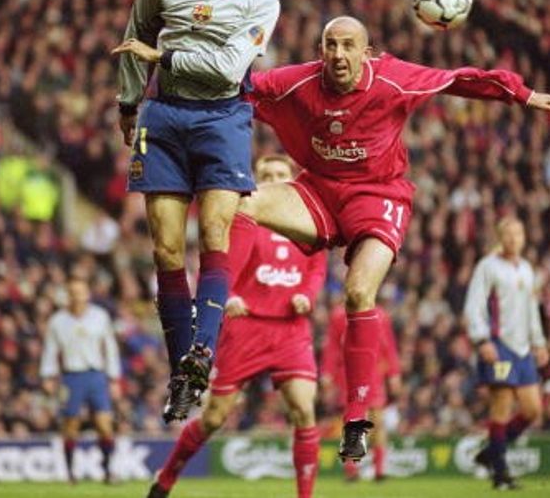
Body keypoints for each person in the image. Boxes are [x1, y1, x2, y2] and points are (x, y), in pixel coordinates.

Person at [232, 15, 550, 461]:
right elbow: (239, 87)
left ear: (366, 52)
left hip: (378, 196)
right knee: (241, 202)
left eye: (349, 45)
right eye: (330, 45)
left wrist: (519, 93)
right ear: (320, 50)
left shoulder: (393, 78)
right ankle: (208, 315)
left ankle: (356, 420)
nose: (338, 54)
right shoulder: (301, 81)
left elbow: (457, 80)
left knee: (357, 293)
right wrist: (168, 81)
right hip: (318, 189)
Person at [110, 0, 281, 422]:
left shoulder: (263, 0)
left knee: (213, 235)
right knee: (165, 250)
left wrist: (162, 57)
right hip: (161, 119)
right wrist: (127, 103)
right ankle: (183, 371)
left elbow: (230, 70)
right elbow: (135, 33)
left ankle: (202, 350)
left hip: (223, 120)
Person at [147, 154, 327, 498]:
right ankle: (166, 478)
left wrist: (308, 293)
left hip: (291, 330)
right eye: (266, 174)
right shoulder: (244, 219)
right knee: (214, 418)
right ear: (255, 180)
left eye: (280, 174)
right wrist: (228, 298)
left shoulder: (306, 221)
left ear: (292, 179)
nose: (274, 179)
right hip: (246, 328)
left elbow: (317, 267)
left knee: (305, 410)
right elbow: (217, 265)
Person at [464, 216, 548, 490]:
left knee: (533, 410)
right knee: (501, 405)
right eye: (508, 234)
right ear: (500, 237)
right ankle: (500, 474)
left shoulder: (526, 269)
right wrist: (482, 339)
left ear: (524, 238)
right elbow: (474, 304)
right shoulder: (487, 267)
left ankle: (490, 454)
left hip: (523, 350)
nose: (513, 239)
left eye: (518, 234)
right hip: (499, 346)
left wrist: (539, 341)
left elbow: (532, 309)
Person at [41, 275, 122, 484]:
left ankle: (108, 470)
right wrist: (48, 376)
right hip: (71, 377)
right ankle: (70, 473)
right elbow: (50, 350)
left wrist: (114, 379)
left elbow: (110, 348)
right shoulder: (57, 321)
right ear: (67, 296)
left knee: (104, 425)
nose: (77, 297)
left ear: (87, 294)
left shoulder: (100, 316)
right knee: (70, 426)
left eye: (81, 292)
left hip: (96, 375)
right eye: (73, 293)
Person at [322, 297, 401, 481]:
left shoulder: (380, 315)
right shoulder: (338, 315)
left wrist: (394, 373)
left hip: (375, 371)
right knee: (354, 421)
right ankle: (351, 469)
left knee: (377, 421)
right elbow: (332, 346)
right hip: (348, 371)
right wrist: (327, 371)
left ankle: (379, 470)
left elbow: (389, 347)